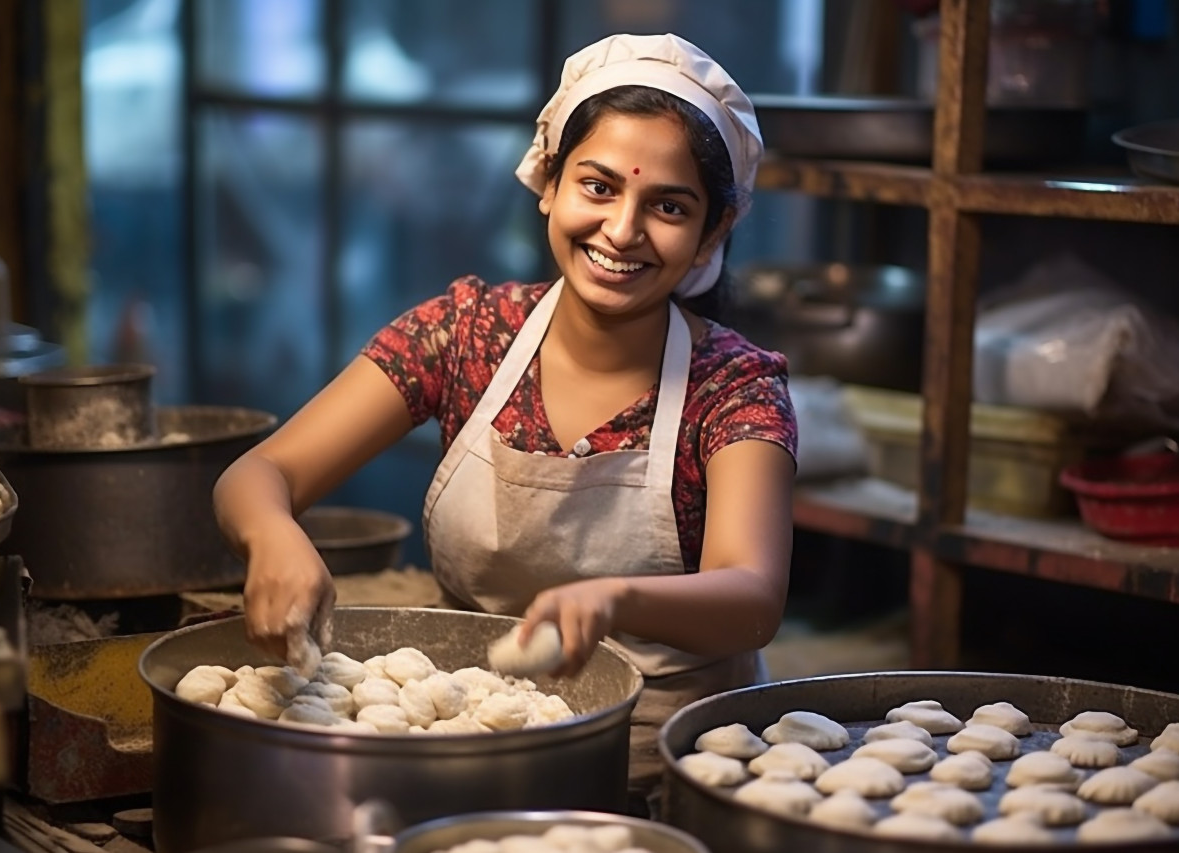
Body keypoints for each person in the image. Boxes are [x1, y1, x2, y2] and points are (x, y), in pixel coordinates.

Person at [212, 32, 798, 808]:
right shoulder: (465, 337)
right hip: (473, 758)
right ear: (547, 182)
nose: (622, 231)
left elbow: (752, 594)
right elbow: (258, 473)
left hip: (664, 773)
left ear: (710, 234)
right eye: (597, 187)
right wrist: (273, 535)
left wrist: (616, 599)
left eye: (667, 207)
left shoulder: (733, 388)